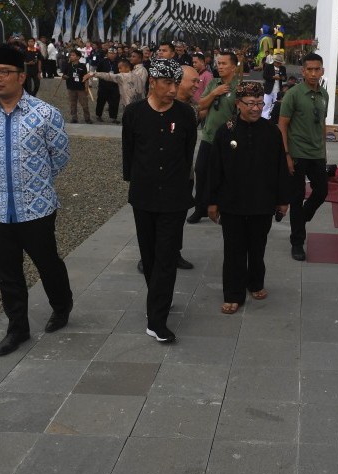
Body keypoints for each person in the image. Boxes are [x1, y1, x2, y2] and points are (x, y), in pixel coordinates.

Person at [0, 44, 73, 356]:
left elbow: (61, 157)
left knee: (47, 262)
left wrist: (35, 184)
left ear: (21, 76)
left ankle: (62, 305)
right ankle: (18, 328)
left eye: (4, 72)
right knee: (7, 272)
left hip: (38, 208)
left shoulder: (45, 114)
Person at [122, 58, 197, 343]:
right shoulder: (134, 113)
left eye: (176, 83)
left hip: (175, 198)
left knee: (166, 257)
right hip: (143, 196)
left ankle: (156, 320)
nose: (173, 89)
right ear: (152, 82)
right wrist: (134, 179)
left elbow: (188, 153)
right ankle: (158, 298)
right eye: (167, 83)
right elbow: (128, 152)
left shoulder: (186, 114)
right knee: (150, 256)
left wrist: (184, 185)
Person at [206, 82, 290, 315]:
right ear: (238, 104)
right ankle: (233, 294)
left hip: (262, 202)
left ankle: (255, 282)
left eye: (259, 103)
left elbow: (281, 167)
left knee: (257, 246)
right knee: (233, 249)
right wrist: (212, 201)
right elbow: (215, 169)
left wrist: (283, 199)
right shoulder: (226, 131)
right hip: (231, 202)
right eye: (250, 103)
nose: (255, 108)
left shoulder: (272, 131)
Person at [278, 52, 329, 261]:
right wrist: (287, 155)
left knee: (322, 192)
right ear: (303, 71)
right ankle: (297, 242)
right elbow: (282, 125)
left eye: (317, 69)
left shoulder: (324, 95)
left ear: (322, 71)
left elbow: (322, 124)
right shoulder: (293, 94)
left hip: (317, 154)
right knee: (296, 198)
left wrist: (324, 150)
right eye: (310, 69)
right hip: (297, 153)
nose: (314, 73)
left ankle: (302, 217)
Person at [187, 50, 242, 224]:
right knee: (201, 170)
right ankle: (201, 207)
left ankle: (223, 206)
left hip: (228, 139)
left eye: (224, 63)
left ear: (233, 66)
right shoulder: (213, 83)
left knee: (225, 174)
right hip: (209, 136)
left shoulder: (239, 87)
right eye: (218, 63)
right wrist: (215, 92)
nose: (220, 66)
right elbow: (201, 104)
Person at [62, 49, 92, 123]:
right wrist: (64, 77)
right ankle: (74, 118)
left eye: (73, 55)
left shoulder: (82, 66)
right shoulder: (68, 65)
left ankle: (87, 118)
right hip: (71, 88)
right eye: (71, 55)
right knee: (73, 104)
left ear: (78, 57)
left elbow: (86, 78)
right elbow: (64, 75)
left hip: (81, 88)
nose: (71, 57)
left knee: (84, 104)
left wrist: (86, 87)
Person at [94, 48, 120, 123]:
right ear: (107, 54)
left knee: (114, 102)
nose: (112, 55)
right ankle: (98, 115)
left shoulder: (119, 62)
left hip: (115, 86)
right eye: (110, 53)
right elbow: (98, 72)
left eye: (114, 53)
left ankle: (113, 117)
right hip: (103, 86)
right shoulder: (102, 62)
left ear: (116, 54)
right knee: (101, 101)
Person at [262, 53, 286, 119]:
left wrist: (281, 78)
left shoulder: (283, 68)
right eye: (278, 63)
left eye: (280, 63)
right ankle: (264, 117)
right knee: (267, 103)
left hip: (278, 89)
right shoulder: (268, 66)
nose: (279, 64)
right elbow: (265, 76)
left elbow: (285, 78)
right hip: (269, 88)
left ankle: (274, 117)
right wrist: (273, 77)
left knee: (276, 104)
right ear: (274, 62)